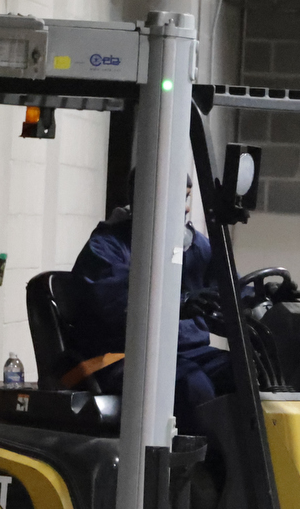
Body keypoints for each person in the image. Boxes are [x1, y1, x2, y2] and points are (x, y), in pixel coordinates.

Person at [69, 175, 234, 422]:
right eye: (178, 197)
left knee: (246, 373)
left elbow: (229, 284)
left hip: (186, 351)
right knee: (192, 387)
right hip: (121, 354)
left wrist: (263, 298)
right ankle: (198, 459)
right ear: (147, 196)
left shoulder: (195, 246)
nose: (186, 207)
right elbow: (120, 303)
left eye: (187, 198)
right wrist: (182, 303)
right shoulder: (107, 246)